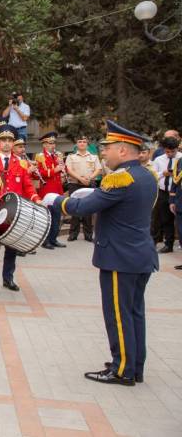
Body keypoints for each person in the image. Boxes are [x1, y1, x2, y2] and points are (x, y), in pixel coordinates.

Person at [43, 120, 158, 386]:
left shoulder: (119, 178)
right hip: (140, 254)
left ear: (122, 150)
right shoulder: (146, 175)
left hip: (120, 257)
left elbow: (83, 208)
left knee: (118, 315)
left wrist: (55, 200)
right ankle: (134, 365)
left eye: (107, 147)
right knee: (134, 313)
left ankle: (121, 370)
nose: (103, 152)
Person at [0, 125, 40, 296]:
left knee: (11, 248)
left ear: (13, 143)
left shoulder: (20, 163)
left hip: (13, 213)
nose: (6, 144)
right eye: (3, 140)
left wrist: (36, 199)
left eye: (10, 140)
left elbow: (27, 186)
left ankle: (8, 279)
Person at [64, 135, 103, 241]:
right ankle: (73, 233)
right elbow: (69, 170)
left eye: (84, 142)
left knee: (88, 209)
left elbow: (98, 169)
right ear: (77, 144)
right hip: (75, 184)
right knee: (74, 208)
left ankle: (88, 234)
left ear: (87, 144)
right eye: (80, 141)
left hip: (89, 184)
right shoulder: (71, 157)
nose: (82, 143)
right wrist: (80, 179)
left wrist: (90, 178)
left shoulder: (93, 157)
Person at [35, 132, 67, 249]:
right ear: (44, 145)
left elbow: (63, 169)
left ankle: (54, 239)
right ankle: (46, 240)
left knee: (57, 216)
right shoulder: (40, 156)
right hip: (47, 190)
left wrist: (63, 167)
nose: (53, 145)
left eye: (54, 143)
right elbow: (40, 173)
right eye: (50, 143)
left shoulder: (57, 155)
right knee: (47, 217)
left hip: (57, 189)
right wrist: (55, 170)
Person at [151, 136, 181, 253]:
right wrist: (163, 173)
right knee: (164, 218)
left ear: (177, 149)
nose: (170, 154)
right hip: (163, 191)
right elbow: (153, 175)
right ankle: (168, 244)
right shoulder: (159, 159)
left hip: (178, 193)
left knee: (178, 219)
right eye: (168, 151)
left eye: (173, 151)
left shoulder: (181, 158)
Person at [169, 157, 182, 269]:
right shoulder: (179, 161)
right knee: (181, 233)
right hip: (180, 202)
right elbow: (175, 181)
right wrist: (172, 200)